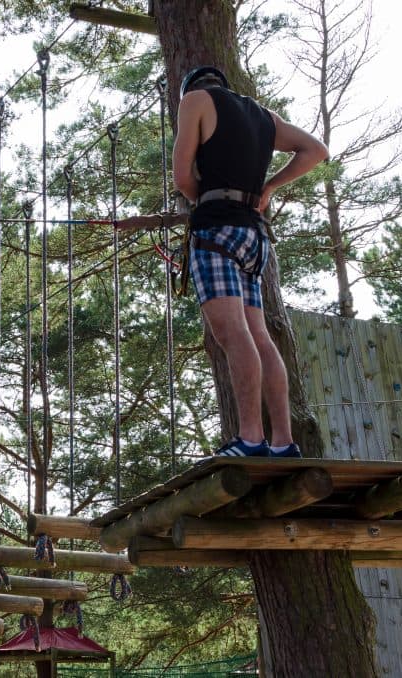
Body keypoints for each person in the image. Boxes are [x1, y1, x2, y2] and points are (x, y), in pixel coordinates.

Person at [118, 65, 328, 458]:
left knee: (233, 336)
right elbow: (316, 151)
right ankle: (283, 441)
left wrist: (205, 201)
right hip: (254, 237)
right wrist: (269, 187)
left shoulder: (194, 101)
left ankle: (250, 438)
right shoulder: (265, 116)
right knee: (259, 336)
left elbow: (182, 178)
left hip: (216, 234)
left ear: (190, 88)